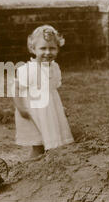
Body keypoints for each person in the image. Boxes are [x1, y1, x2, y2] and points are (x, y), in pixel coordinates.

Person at [13, 25, 74, 160]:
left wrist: (60, 108)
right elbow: (17, 89)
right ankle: (32, 167)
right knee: (38, 144)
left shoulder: (55, 67)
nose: (48, 52)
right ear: (33, 49)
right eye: (43, 48)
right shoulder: (28, 69)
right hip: (33, 113)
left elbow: (52, 91)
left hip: (50, 111)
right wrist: (21, 108)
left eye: (52, 48)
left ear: (58, 49)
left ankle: (50, 165)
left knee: (54, 141)